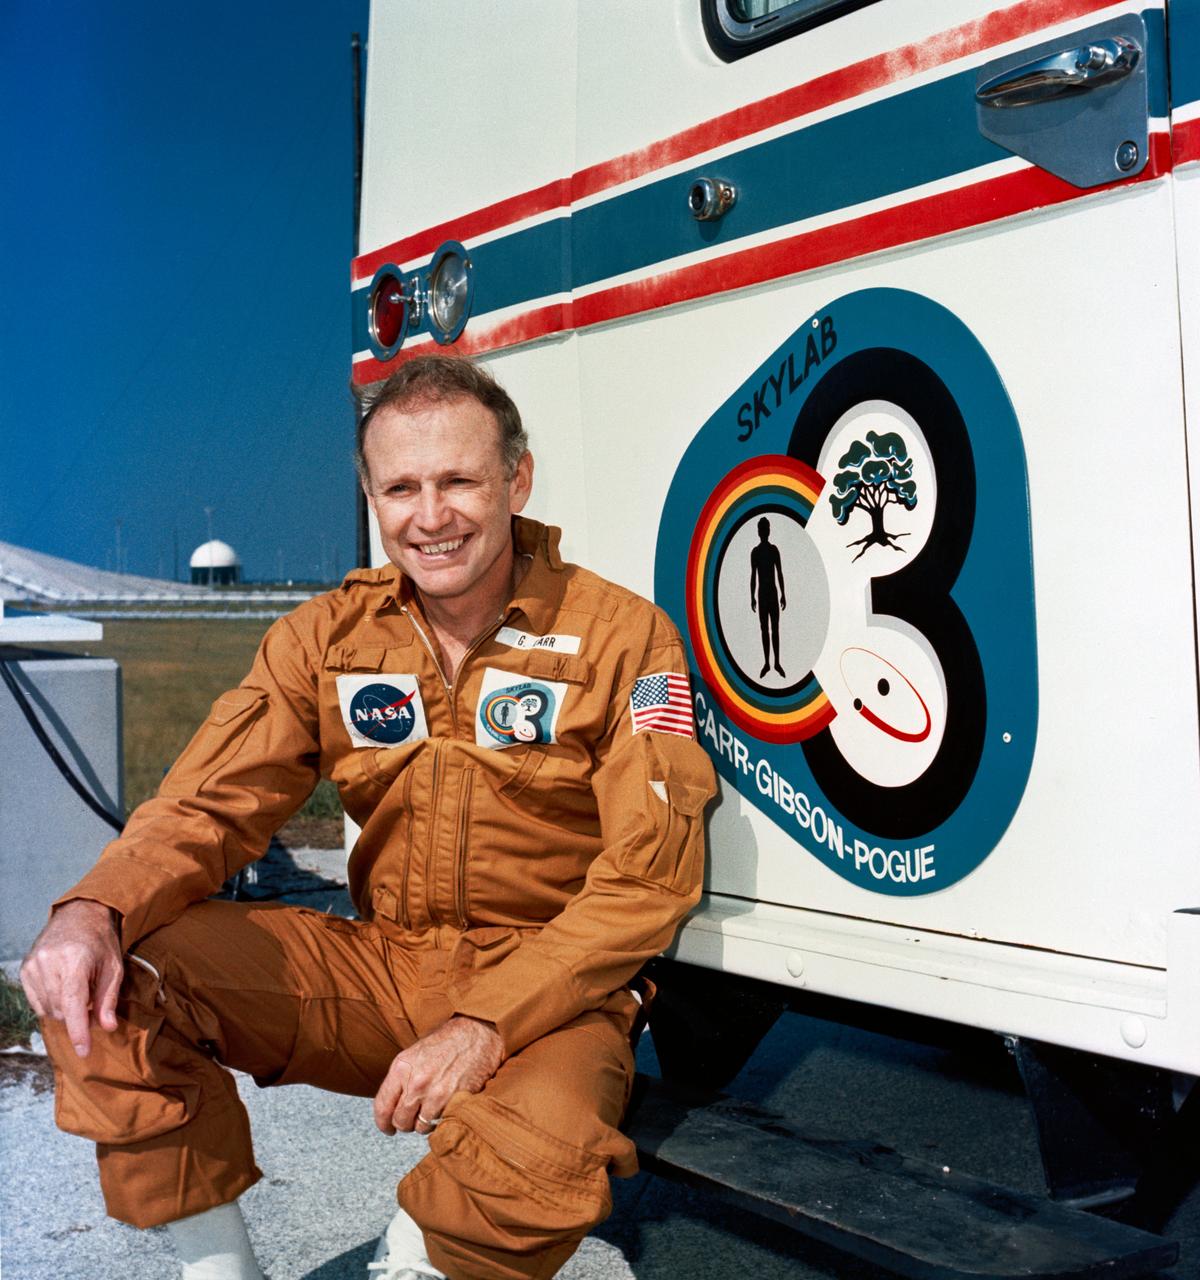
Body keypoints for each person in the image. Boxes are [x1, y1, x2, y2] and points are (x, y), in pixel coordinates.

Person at [20, 355, 716, 1280]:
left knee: (543, 1151)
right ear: (372, 496)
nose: (431, 517)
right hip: (383, 962)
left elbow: (650, 874)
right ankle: (221, 1272)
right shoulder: (327, 638)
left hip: (547, 987)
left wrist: (486, 1025)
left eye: (460, 480)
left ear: (517, 479)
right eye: (402, 488)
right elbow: (206, 802)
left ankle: (413, 1258)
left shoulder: (624, 636)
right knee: (105, 989)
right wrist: (92, 912)